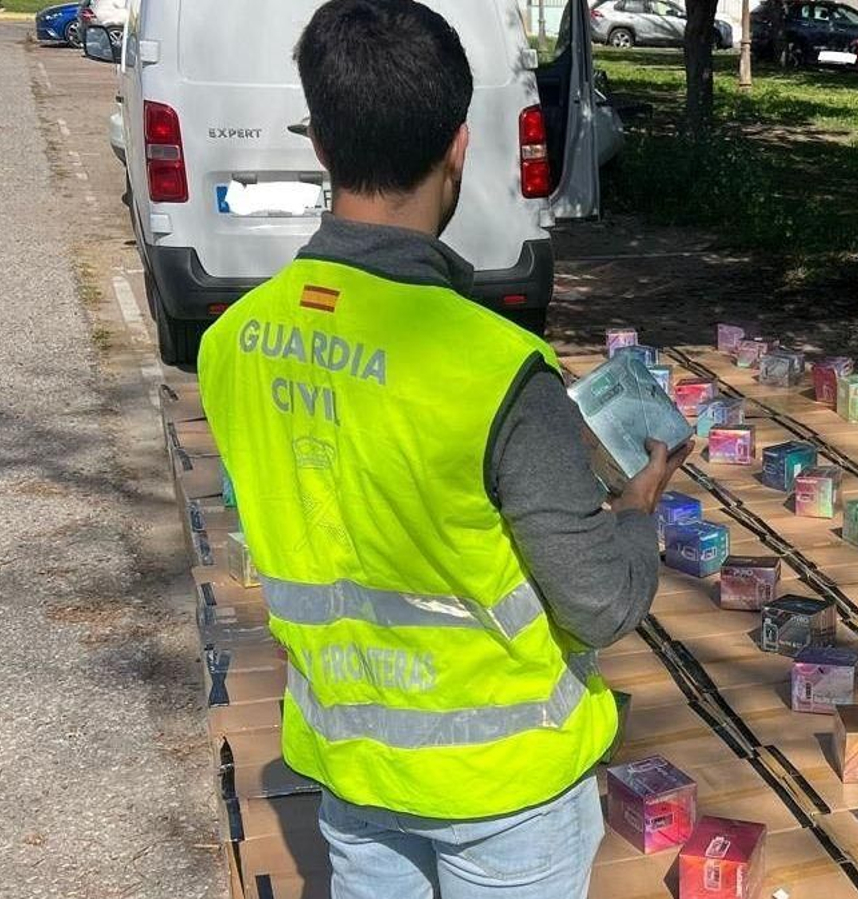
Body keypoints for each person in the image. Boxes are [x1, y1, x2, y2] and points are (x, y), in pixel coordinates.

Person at [197, 0, 691, 896]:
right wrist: (637, 504)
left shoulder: (230, 342)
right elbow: (599, 604)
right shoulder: (498, 371)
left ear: (321, 143)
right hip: (506, 790)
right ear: (458, 145)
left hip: (352, 767)